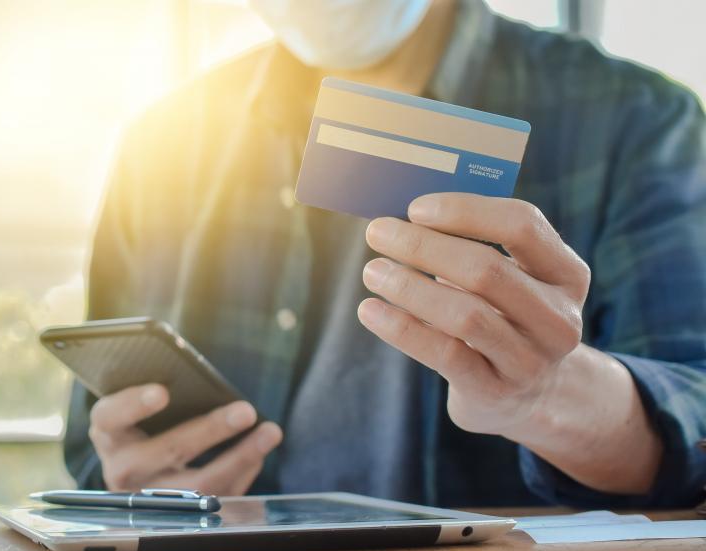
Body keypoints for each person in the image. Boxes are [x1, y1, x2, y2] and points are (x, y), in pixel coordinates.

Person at [63, 0, 706, 507]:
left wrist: (546, 397)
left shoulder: (633, 121)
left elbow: (694, 425)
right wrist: (136, 486)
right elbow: (98, 448)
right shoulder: (162, 148)